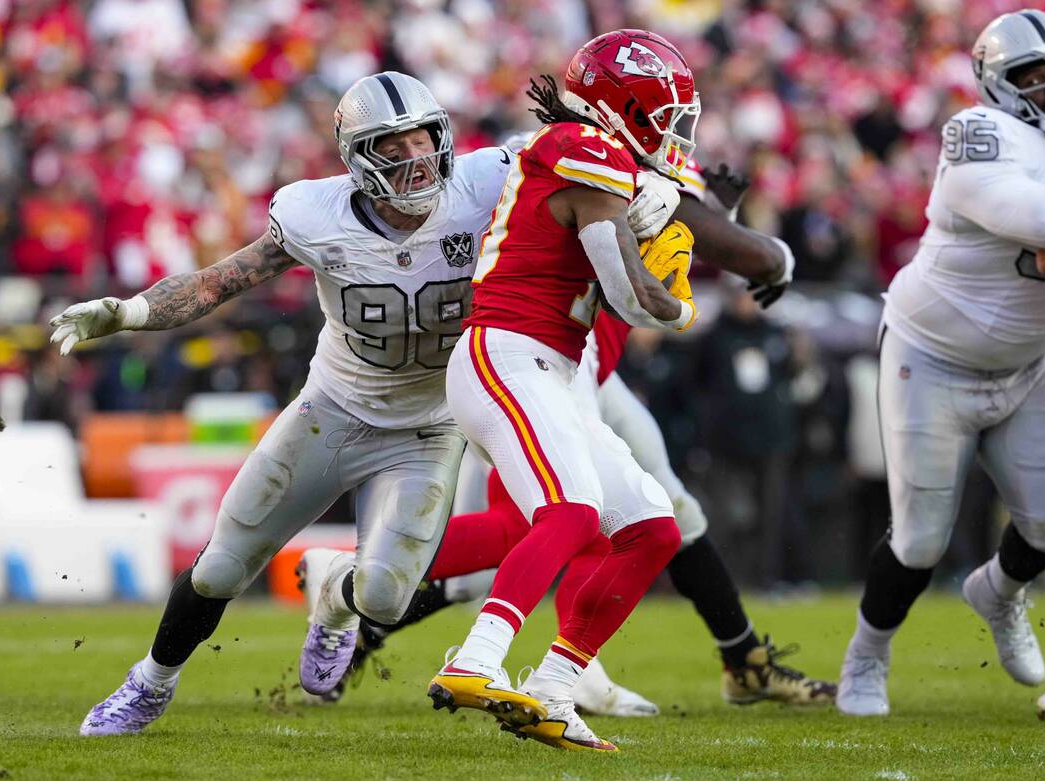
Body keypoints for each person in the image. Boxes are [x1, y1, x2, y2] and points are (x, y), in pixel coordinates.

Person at [55, 69, 673, 736]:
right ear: (355, 157)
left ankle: (335, 599)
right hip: (333, 410)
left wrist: (653, 185)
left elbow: (592, 147)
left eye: (423, 141)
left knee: (385, 594)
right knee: (223, 564)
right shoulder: (312, 213)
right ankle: (151, 681)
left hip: (429, 427)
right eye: (391, 147)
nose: (414, 160)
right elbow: (215, 283)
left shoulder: (493, 178)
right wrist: (129, 310)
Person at [311, 156, 832, 714]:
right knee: (567, 520)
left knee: (652, 516)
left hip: (578, 364)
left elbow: (671, 237)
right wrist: (753, 260)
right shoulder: (594, 166)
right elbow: (675, 260)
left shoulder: (610, 175)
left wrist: (713, 221)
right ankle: (360, 583)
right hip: (542, 361)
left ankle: (733, 658)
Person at [422, 29, 709, 753]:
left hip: (554, 365)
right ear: (627, 107)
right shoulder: (587, 148)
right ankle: (476, 659)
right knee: (573, 512)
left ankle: (554, 685)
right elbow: (626, 295)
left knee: (651, 527)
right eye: (664, 117)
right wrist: (675, 300)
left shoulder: (606, 159)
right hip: (507, 354)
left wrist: (654, 197)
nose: (673, 137)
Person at [836, 10, 1045, 717]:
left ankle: (998, 593)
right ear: (1001, 86)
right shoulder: (981, 134)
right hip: (932, 355)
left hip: (1030, 362)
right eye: (1036, 76)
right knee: (918, 540)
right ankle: (866, 656)